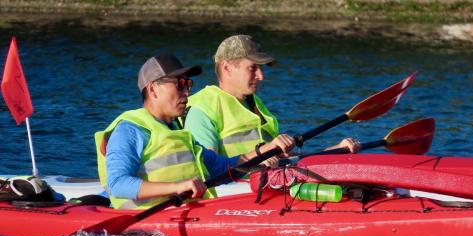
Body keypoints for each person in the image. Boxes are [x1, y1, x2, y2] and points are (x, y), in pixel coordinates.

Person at [95, 54, 294, 210]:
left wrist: (266, 151)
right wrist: (177, 187)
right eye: (179, 84)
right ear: (153, 89)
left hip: (185, 215)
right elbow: (118, 184)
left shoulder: (179, 132)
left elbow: (223, 167)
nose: (187, 92)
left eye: (188, 84)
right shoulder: (130, 130)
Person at [183, 34, 360, 157]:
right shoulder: (202, 110)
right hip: (232, 201)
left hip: (267, 188)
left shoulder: (254, 105)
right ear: (227, 68)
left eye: (260, 69)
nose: (261, 76)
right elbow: (209, 170)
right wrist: (260, 156)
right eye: (252, 68)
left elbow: (287, 160)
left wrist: (334, 151)